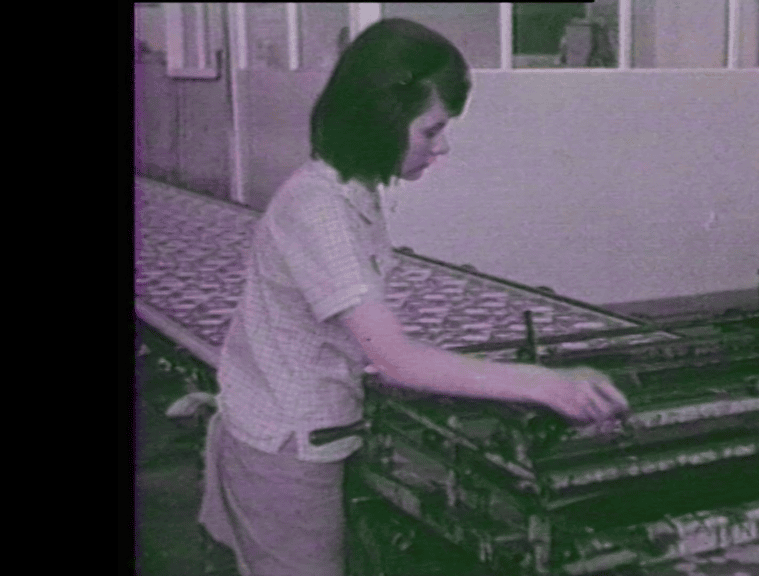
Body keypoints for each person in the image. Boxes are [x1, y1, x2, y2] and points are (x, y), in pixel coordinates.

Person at [198, 18, 630, 576]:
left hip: (310, 424)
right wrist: (545, 383)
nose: (441, 146)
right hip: (284, 449)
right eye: (431, 130)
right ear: (381, 119)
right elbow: (396, 360)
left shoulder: (350, 189)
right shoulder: (318, 210)